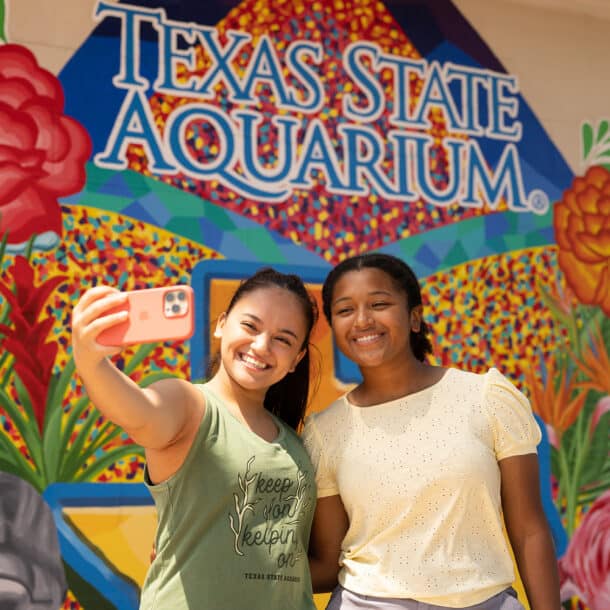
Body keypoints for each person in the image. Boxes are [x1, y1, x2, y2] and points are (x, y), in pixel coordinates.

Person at [304, 253, 560, 610]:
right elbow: (330, 562)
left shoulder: (487, 397)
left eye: (379, 304)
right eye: (345, 310)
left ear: (414, 317)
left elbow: (530, 529)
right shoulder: (324, 430)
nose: (362, 320)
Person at [71, 268, 319, 610]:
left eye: (284, 339)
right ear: (221, 324)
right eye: (250, 326)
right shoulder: (190, 405)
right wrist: (90, 361)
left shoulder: (294, 443)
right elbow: (140, 412)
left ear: (297, 359)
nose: (262, 346)